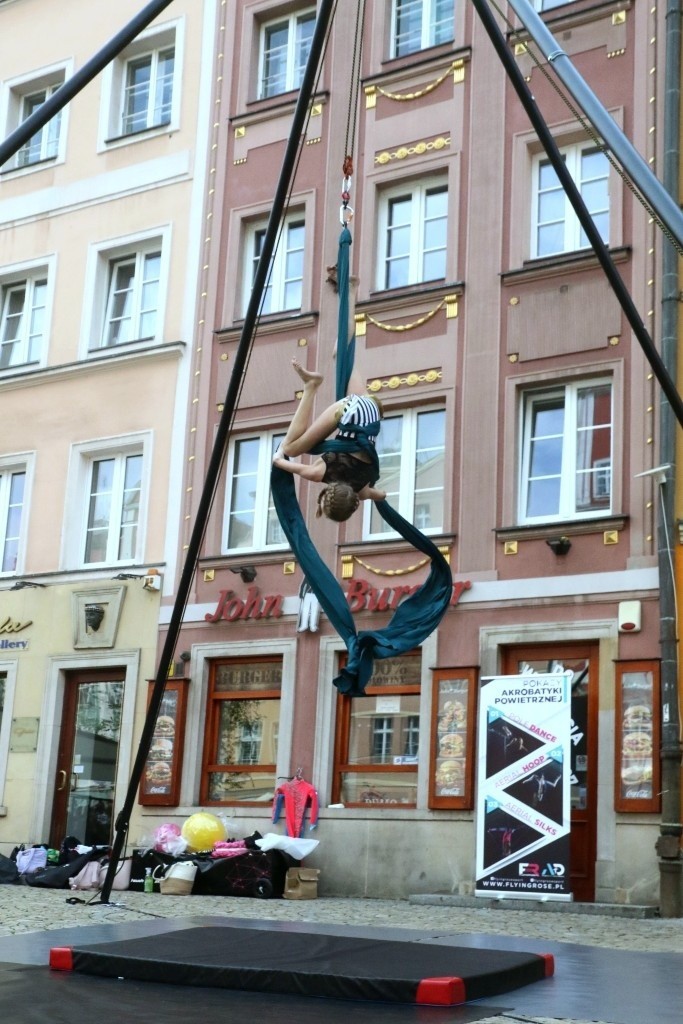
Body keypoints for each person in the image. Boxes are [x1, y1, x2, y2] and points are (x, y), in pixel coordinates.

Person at [273, 357, 386, 521]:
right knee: (290, 448)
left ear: (354, 504)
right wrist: (277, 460)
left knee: (343, 356)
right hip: (351, 411)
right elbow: (291, 465)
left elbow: (381, 495)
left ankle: (344, 339)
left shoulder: (362, 490)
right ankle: (311, 385)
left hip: (371, 410)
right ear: (326, 496)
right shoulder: (321, 473)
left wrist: (379, 493)